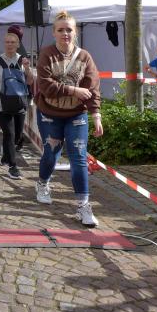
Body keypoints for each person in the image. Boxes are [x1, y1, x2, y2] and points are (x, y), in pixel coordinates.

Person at [35, 11, 102, 228]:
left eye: (69, 30)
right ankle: (42, 183)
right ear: (54, 33)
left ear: (76, 32)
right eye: (61, 30)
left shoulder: (85, 57)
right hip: (49, 113)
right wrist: (73, 90)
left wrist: (96, 115)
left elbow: (92, 87)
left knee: (79, 157)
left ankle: (83, 205)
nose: (65, 33)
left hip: (76, 114)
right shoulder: (47, 54)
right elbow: (45, 86)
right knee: (51, 153)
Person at [0, 31, 33, 179]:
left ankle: (6, 155)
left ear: (18, 45)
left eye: (13, 42)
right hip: (1, 104)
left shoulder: (22, 60)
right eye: (7, 42)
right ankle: (13, 166)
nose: (10, 44)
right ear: (4, 44)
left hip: (19, 103)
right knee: (9, 134)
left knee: (17, 136)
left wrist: (27, 68)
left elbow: (30, 81)